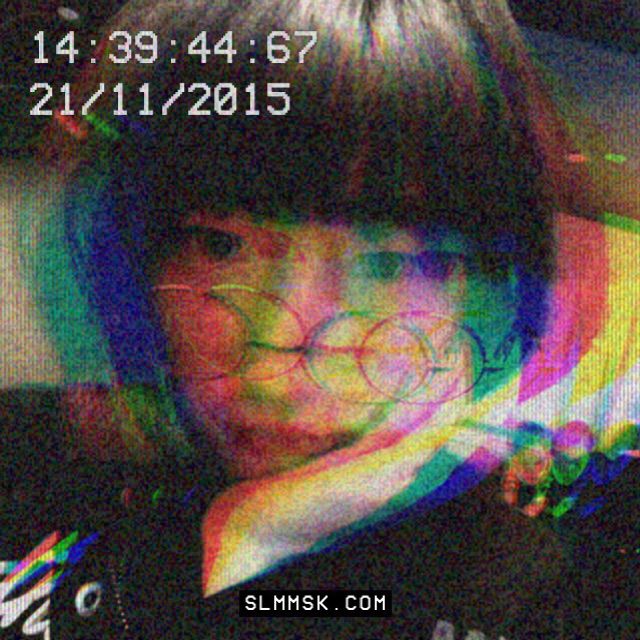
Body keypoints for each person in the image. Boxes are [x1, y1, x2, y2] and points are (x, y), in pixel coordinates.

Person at [3, 0, 639, 638]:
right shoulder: (61, 528)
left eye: (387, 263)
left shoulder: (555, 598)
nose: (282, 342)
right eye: (221, 245)